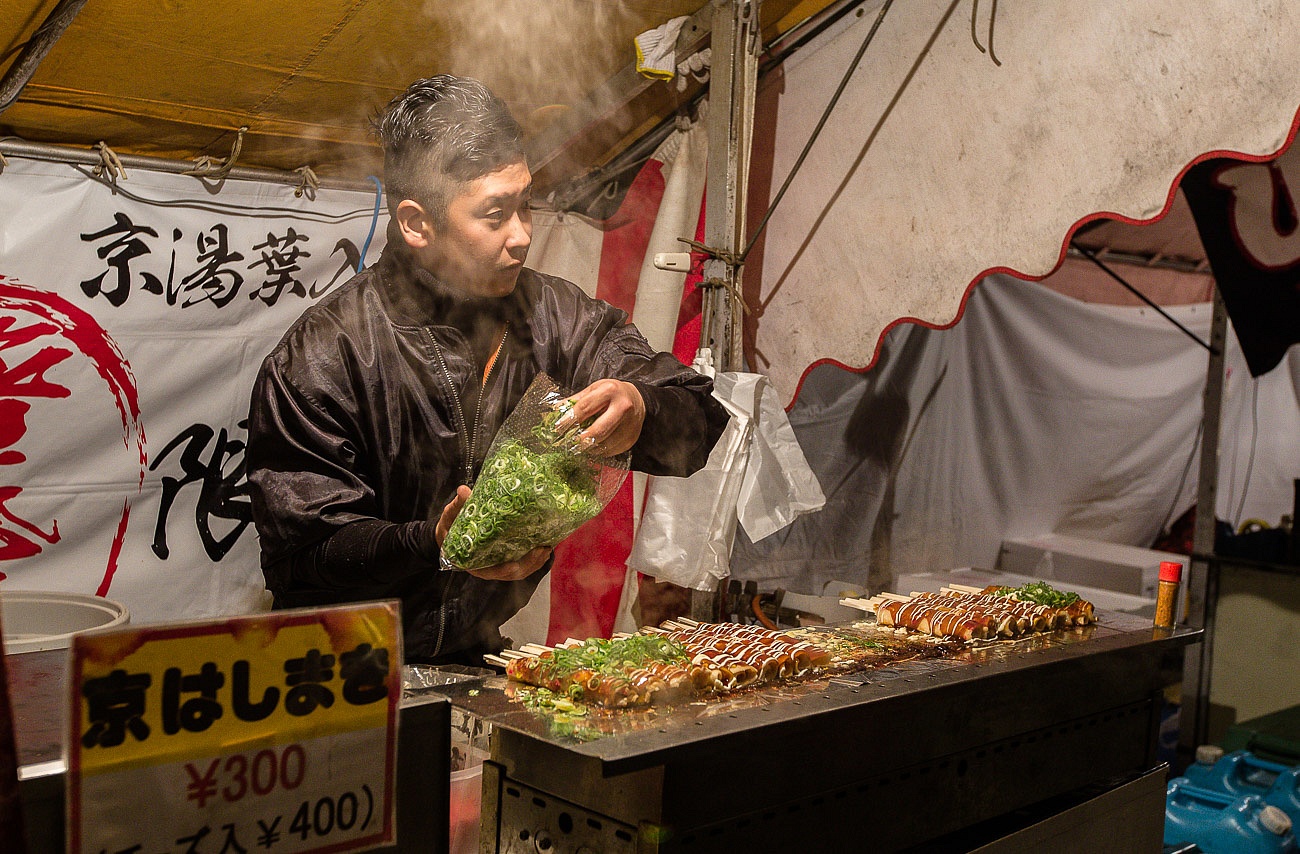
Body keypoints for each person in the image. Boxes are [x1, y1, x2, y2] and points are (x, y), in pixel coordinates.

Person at [246, 75, 728, 665]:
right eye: (494, 215)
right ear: (416, 224)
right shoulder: (325, 355)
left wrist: (643, 407)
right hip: (338, 671)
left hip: (478, 658)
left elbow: (698, 416)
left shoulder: (556, 315)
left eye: (525, 205)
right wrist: (433, 542)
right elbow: (302, 554)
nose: (522, 236)